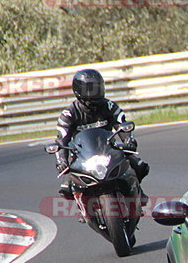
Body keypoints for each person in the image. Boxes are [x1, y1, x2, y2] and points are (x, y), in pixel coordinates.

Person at [55, 69, 149, 198]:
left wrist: (129, 141)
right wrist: (62, 161)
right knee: (66, 188)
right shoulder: (69, 114)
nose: (96, 92)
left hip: (109, 150)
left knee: (139, 166)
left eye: (98, 87)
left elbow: (121, 124)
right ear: (79, 90)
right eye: (91, 88)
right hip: (82, 156)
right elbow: (61, 140)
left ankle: (137, 191)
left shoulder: (109, 106)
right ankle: (83, 206)